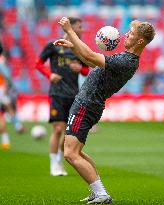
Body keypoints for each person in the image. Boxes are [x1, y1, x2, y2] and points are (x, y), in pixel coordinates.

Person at [54, 17, 155, 204]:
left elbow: (92, 57)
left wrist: (71, 31)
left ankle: (101, 194)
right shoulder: (125, 58)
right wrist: (73, 46)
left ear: (140, 41)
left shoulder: (127, 60)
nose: (127, 35)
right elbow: (91, 62)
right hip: (88, 104)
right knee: (76, 151)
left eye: (131, 34)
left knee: (70, 153)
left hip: (86, 105)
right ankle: (98, 191)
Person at [35, 17, 89, 176]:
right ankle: (53, 165)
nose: (82, 29)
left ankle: (59, 161)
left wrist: (79, 67)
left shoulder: (79, 48)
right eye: (80, 26)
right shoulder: (53, 45)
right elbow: (38, 64)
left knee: (68, 133)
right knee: (58, 129)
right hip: (57, 93)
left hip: (74, 95)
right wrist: (49, 75)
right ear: (70, 28)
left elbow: (86, 70)